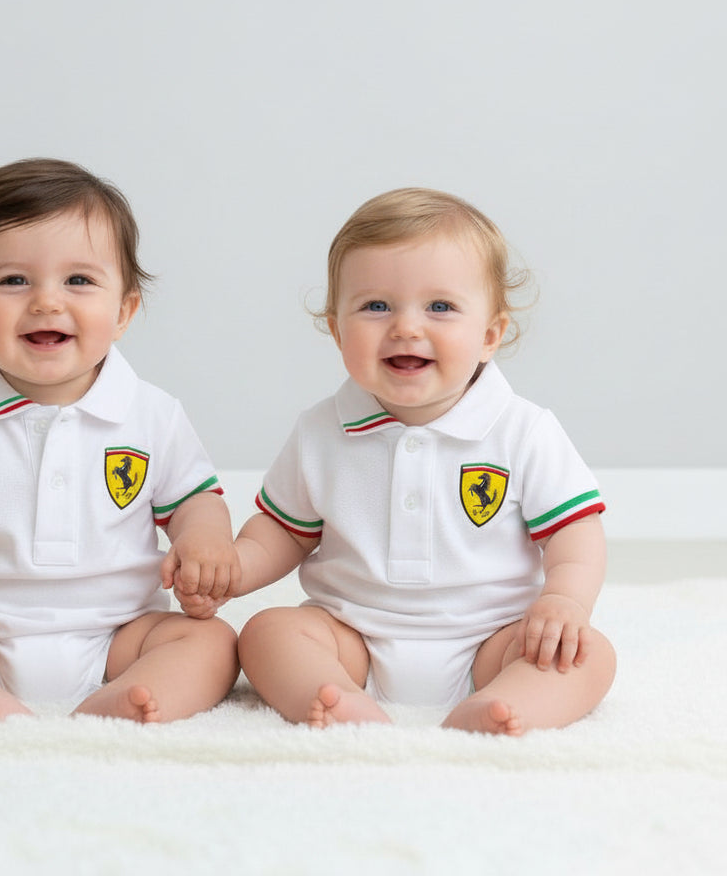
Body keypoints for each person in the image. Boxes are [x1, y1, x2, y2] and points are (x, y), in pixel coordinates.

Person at [180, 187, 616, 735]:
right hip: (350, 634)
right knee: (267, 633)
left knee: (587, 654)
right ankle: (334, 697)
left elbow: (576, 532)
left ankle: (510, 707)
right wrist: (234, 570)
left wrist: (563, 600)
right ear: (338, 331)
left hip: (493, 636)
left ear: (489, 335)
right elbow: (285, 532)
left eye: (440, 307)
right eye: (376, 306)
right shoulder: (322, 430)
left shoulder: (522, 429)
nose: (407, 327)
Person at [0, 158, 240, 723]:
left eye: (79, 280)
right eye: (13, 281)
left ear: (124, 310)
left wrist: (203, 542)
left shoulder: (152, 413)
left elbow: (196, 499)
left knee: (213, 641)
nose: (47, 302)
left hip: (120, 633)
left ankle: (132, 698)